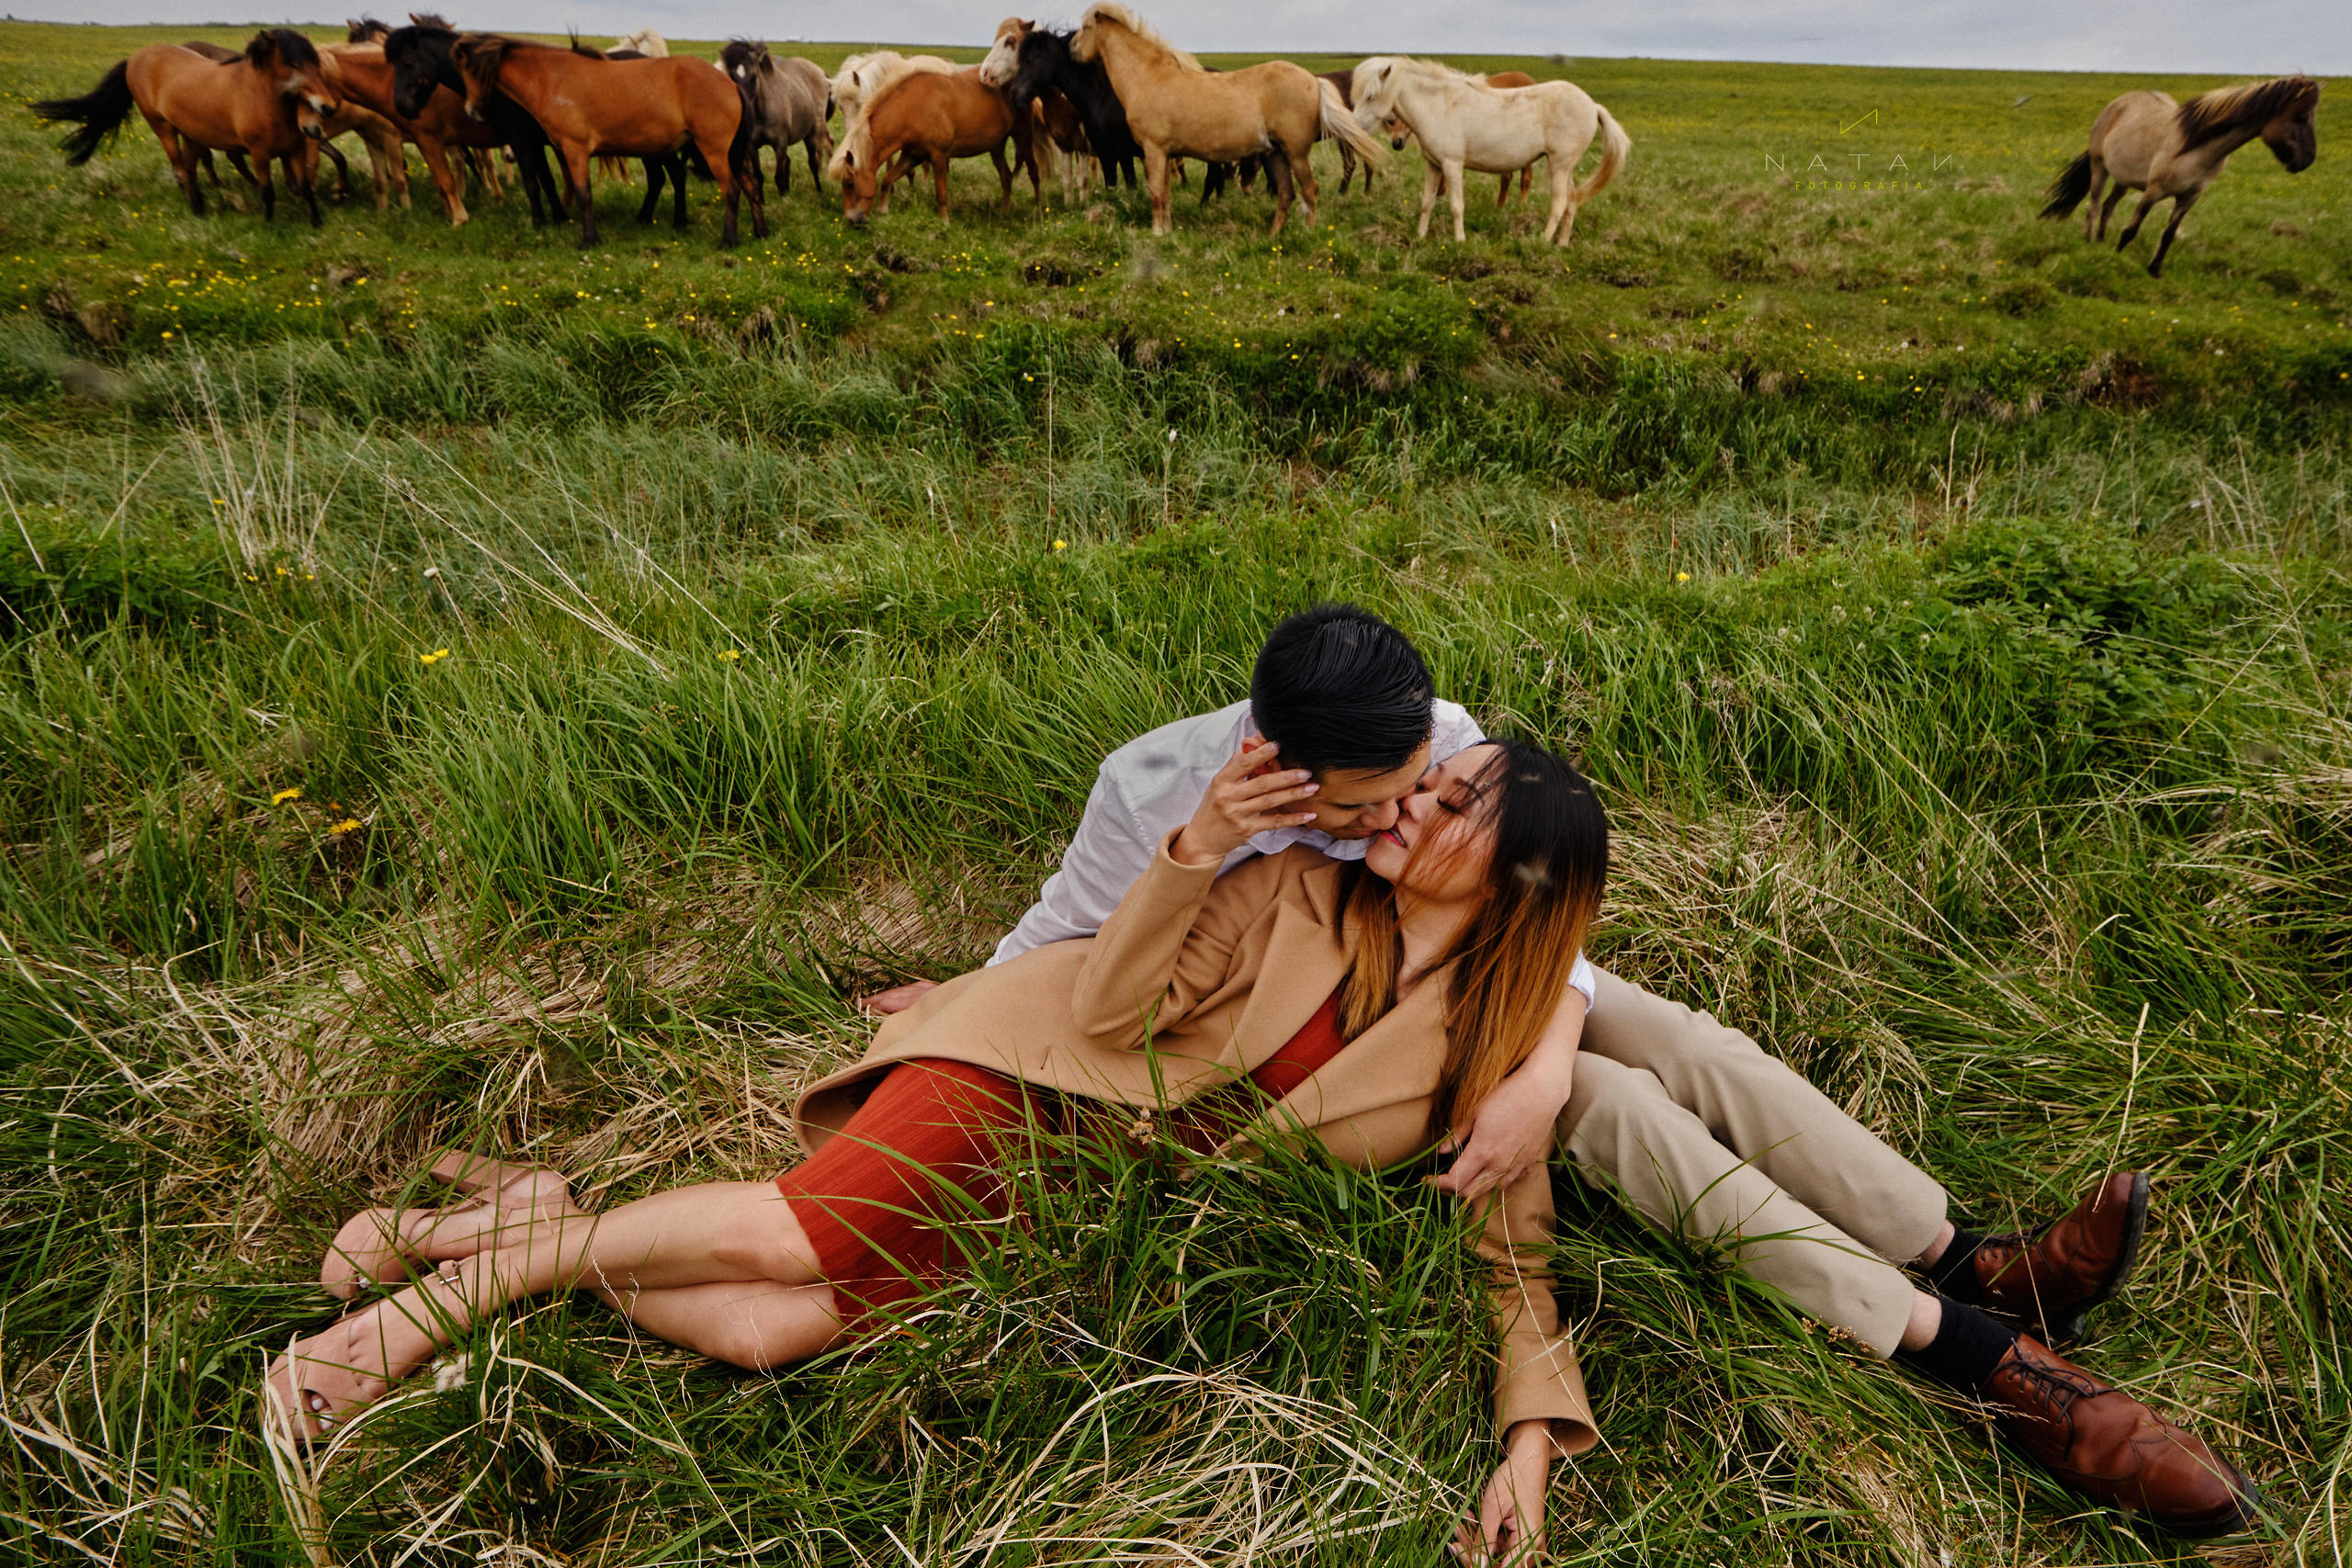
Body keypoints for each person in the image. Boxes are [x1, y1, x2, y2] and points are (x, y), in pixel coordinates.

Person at [870, 603, 2259, 1537]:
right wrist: (969, 996)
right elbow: (1069, 939)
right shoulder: (1156, 790)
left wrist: (1536, 1058)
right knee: (1617, 1108)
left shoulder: (1447, 746)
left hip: (1480, 980)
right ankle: (1982, 1361)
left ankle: (1971, 1260)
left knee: (1670, 1044)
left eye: (1430, 778)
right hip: (1353, 1041)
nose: (1417, 799)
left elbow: (1551, 901)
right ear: (1281, 767)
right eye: (1385, 802)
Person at [273, 739, 1613, 1563]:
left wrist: (1528, 1460)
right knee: (792, 1237)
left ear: (1524, 878)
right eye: (1428, 782)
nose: (1410, 805)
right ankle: (452, 1297)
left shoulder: (1488, 1060)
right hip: (1030, 1079)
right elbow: (1109, 1007)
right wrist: (1199, 845)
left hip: (1082, 1195)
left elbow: (1514, 1259)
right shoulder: (1292, 884)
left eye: (1451, 806)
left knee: (763, 1329)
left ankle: (524, 1217)